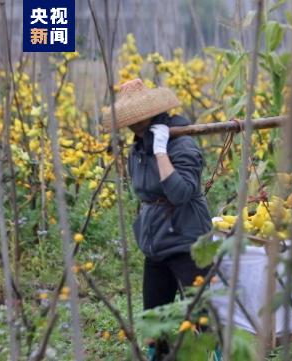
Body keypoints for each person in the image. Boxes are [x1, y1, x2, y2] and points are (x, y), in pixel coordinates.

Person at [102, 79, 212, 360]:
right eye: (130, 120)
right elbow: (142, 191)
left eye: (140, 118)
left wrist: (161, 151)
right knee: (154, 318)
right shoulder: (138, 148)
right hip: (155, 243)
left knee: (201, 317)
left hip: (188, 242)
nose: (135, 125)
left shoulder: (181, 145)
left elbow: (180, 192)